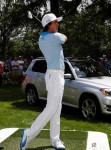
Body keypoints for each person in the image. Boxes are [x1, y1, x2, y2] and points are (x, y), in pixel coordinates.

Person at [20, 13, 67, 150]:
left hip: (53, 76)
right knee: (51, 108)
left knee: (57, 108)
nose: (58, 24)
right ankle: (28, 134)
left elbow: (56, 36)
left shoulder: (43, 38)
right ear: (49, 24)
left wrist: (52, 31)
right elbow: (64, 38)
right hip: (55, 76)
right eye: (55, 22)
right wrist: (57, 33)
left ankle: (55, 139)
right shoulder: (54, 37)